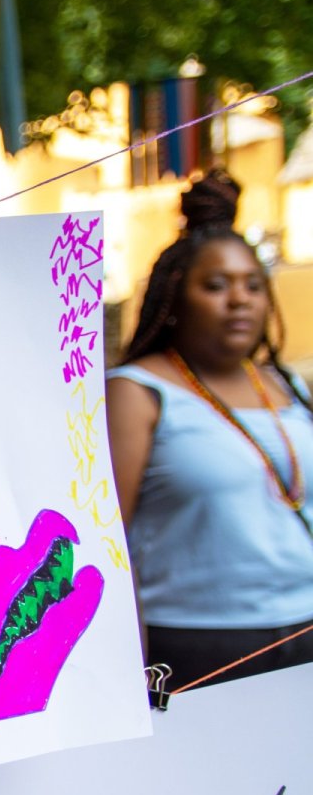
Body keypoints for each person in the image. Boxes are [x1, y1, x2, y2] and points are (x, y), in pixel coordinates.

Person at [106, 170, 313, 689]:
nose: (239, 299)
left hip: (305, 628)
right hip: (196, 644)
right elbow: (108, 539)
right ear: (175, 299)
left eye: (253, 285)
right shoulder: (136, 391)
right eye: (216, 285)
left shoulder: (286, 385)